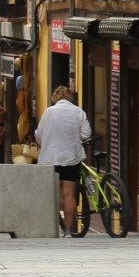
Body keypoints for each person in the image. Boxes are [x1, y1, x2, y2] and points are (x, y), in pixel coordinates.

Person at [33, 85, 92, 236]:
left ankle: (50, 229)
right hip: (71, 157)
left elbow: (39, 135)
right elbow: (86, 134)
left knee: (52, 193)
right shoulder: (78, 112)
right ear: (70, 97)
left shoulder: (49, 112)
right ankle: (67, 230)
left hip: (50, 158)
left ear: (55, 98)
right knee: (68, 194)